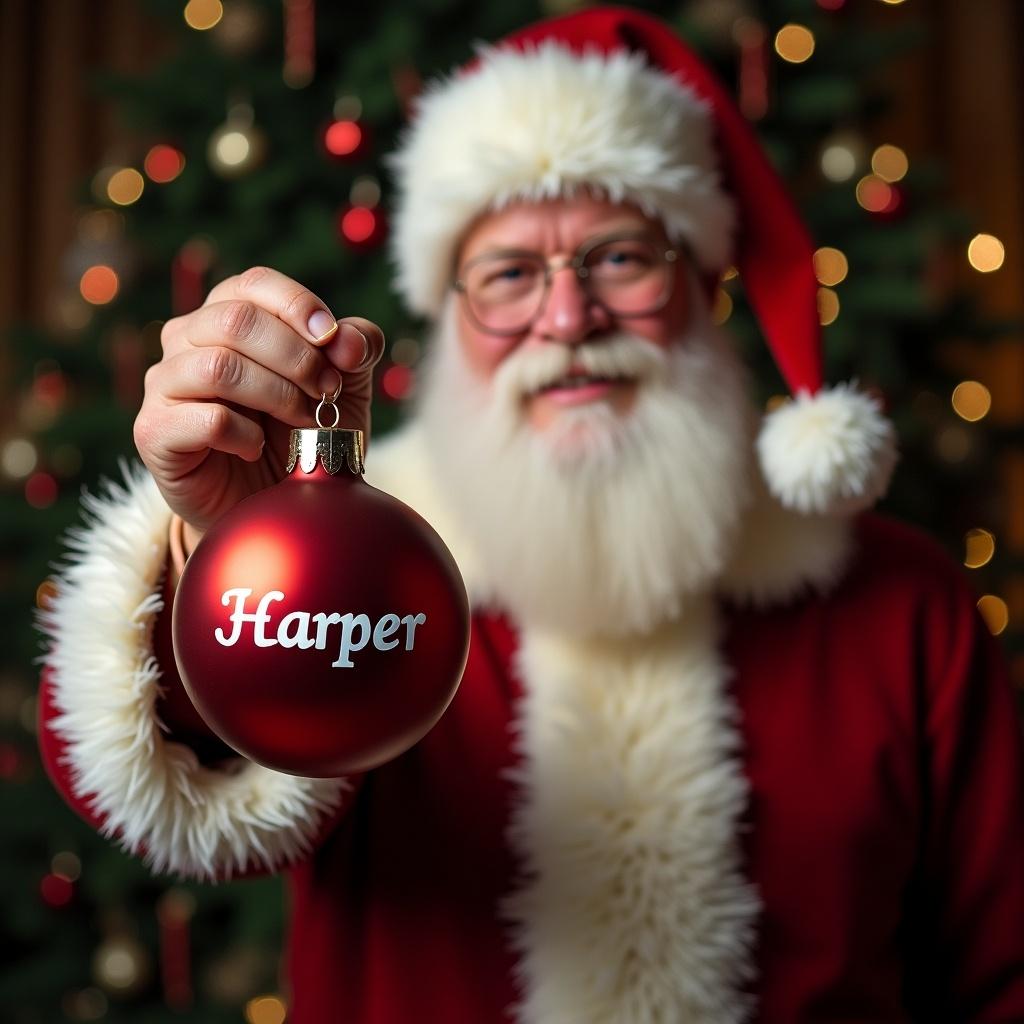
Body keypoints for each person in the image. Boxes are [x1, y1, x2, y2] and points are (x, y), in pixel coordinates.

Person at [38, 7, 1024, 1022]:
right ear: (450, 313)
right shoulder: (369, 581)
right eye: (509, 274)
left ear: (703, 282)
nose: (567, 318)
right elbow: (176, 801)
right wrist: (225, 552)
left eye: (619, 259)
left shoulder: (899, 600)